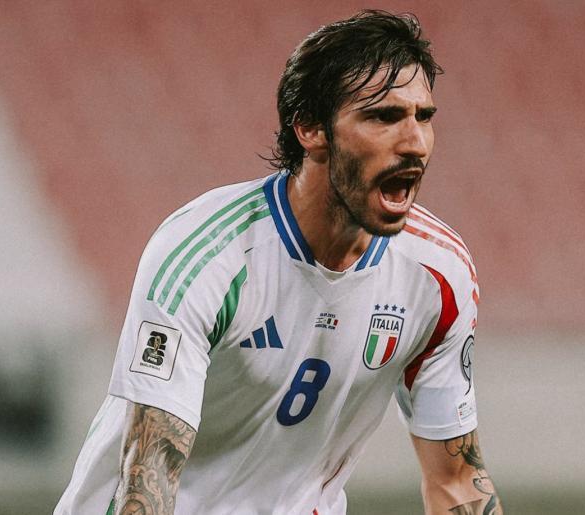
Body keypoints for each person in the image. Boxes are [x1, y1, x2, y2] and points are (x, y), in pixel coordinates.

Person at [55, 10, 502, 515]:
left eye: (424, 117)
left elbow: (456, 482)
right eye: (383, 117)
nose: (415, 143)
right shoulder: (208, 255)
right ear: (310, 128)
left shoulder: (439, 274)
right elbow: (150, 477)